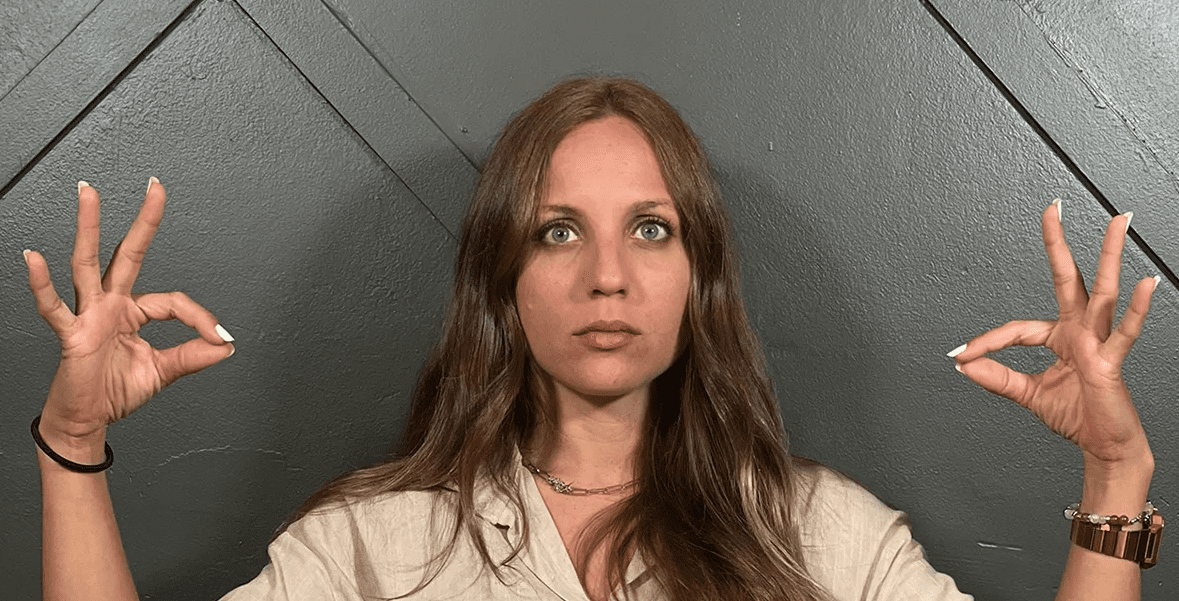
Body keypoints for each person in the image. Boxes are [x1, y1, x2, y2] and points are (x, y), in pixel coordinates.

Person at [26, 77, 1160, 601]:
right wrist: (71, 447)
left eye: (650, 229)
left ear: (699, 274)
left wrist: (1115, 473)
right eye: (557, 229)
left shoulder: (827, 541)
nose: (606, 274)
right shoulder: (367, 550)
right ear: (503, 277)